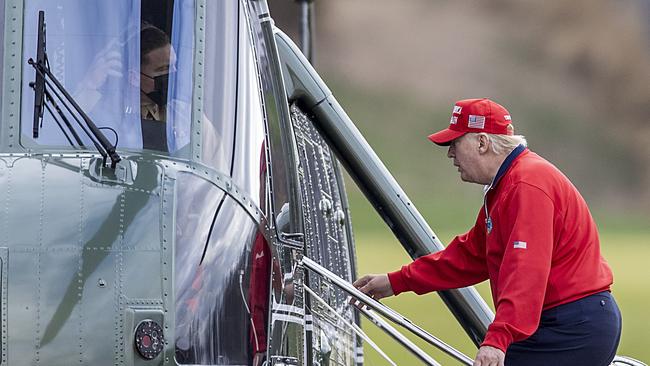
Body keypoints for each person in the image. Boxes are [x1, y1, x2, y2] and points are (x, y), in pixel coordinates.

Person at [353, 98, 622, 366]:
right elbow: (470, 256)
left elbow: (525, 270)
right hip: (562, 322)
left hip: (572, 327)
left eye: (455, 144)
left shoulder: (526, 184)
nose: (450, 154)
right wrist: (395, 282)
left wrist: (498, 339)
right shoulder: (508, 184)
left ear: (482, 143)